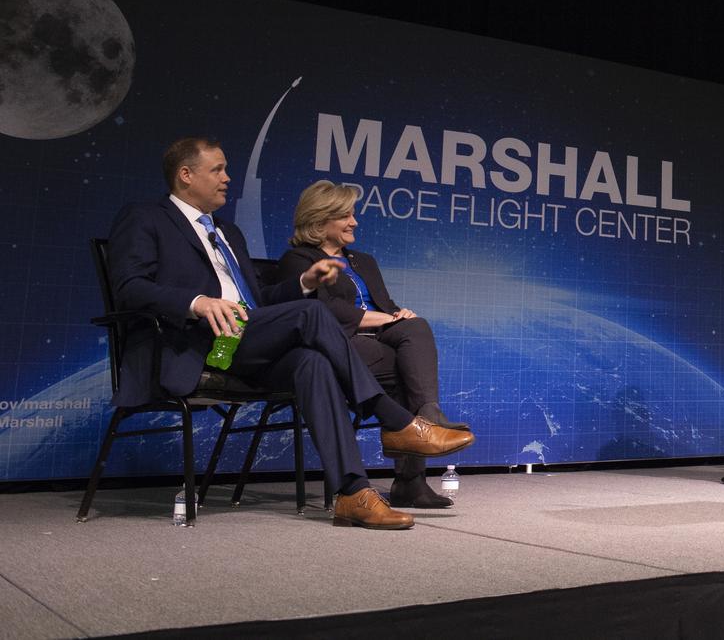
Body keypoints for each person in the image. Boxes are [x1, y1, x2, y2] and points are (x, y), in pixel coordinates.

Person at [108, 137, 474, 530]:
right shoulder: (146, 217)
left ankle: (353, 493)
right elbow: (128, 286)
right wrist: (197, 301)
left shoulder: (228, 232)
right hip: (199, 342)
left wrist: (303, 281)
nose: (227, 178)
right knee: (314, 313)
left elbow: (259, 301)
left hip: (248, 341)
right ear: (185, 174)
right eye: (217, 170)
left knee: (312, 362)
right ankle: (396, 421)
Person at [279, 180, 470, 510]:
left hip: (379, 337)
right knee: (402, 368)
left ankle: (428, 415)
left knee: (417, 326)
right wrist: (386, 319)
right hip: (339, 343)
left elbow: (384, 303)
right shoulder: (298, 261)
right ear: (320, 219)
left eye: (354, 214)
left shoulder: (362, 260)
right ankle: (411, 479)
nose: (354, 222)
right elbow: (323, 312)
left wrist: (398, 315)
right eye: (346, 215)